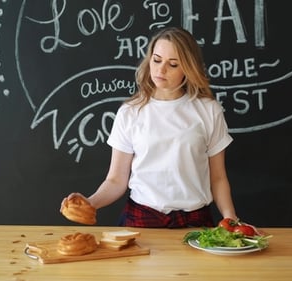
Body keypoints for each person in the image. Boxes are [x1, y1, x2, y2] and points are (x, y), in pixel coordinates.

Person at [61, 26, 239, 228]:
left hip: (195, 221)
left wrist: (230, 218)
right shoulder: (130, 112)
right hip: (141, 219)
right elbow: (116, 180)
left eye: (173, 64)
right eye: (156, 60)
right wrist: (90, 202)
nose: (161, 70)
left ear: (188, 69)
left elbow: (218, 178)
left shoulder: (209, 110)